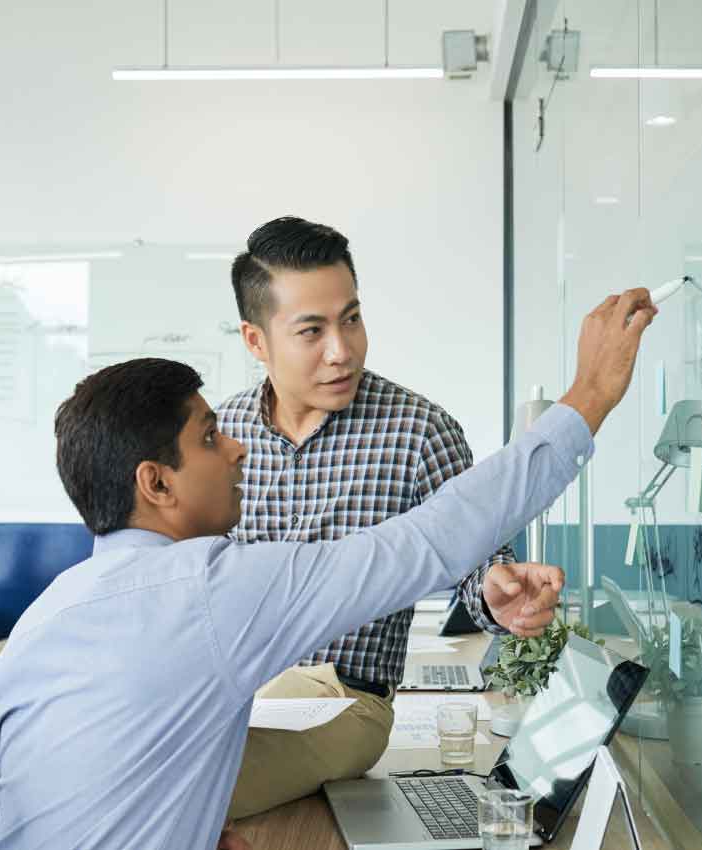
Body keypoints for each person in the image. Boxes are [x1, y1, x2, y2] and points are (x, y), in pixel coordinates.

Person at [0, 288, 655, 850]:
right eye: (210, 438)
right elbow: (433, 540)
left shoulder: (44, 620)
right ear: (157, 484)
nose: (236, 449)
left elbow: (37, 808)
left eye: (351, 317)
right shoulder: (212, 589)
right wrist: (591, 393)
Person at [218, 216, 552, 815]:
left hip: (347, 700)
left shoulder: (421, 430)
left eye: (351, 318)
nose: (341, 350)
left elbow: (479, 562)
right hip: (231, 689)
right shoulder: (219, 435)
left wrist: (497, 590)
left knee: (197, 781)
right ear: (255, 341)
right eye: (311, 330)